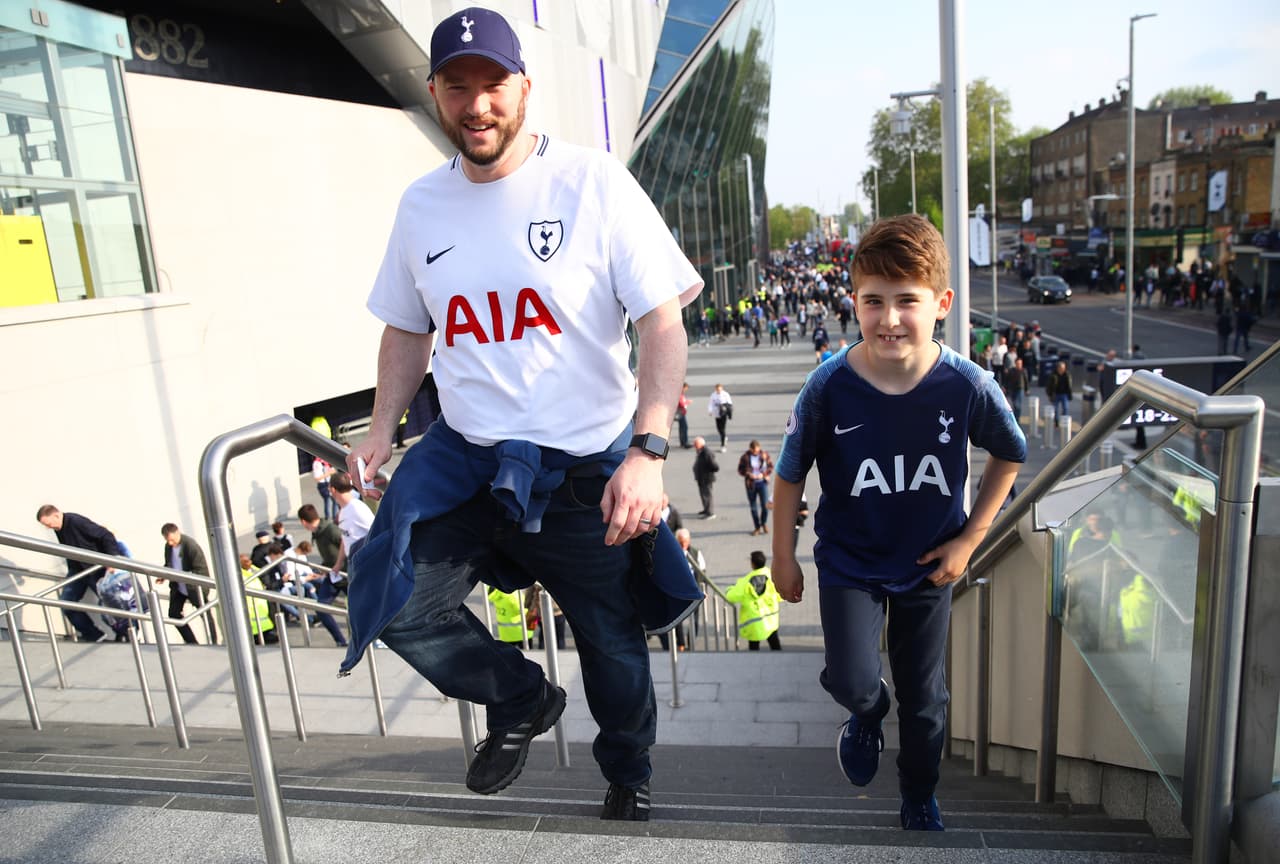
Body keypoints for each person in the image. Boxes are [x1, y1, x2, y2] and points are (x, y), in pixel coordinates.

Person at [342, 6, 702, 823]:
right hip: (468, 462)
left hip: (582, 472)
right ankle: (518, 700)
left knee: (610, 643)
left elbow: (663, 322)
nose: (477, 105)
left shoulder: (592, 181)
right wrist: (378, 428)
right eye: (457, 87)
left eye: (492, 85)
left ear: (523, 90)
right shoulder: (420, 206)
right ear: (434, 92)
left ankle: (629, 769)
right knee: (394, 601)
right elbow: (406, 328)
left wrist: (648, 450)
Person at [769, 215, 1025, 832]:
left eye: (906, 301)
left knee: (928, 700)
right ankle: (866, 711)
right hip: (850, 563)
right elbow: (789, 475)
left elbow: (1009, 454)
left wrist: (969, 538)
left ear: (940, 303)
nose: (888, 319)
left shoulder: (967, 385)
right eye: (872, 301)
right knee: (857, 681)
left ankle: (918, 794)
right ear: (852, 301)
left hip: (928, 565)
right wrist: (783, 555)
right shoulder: (827, 387)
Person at [35, 505, 120, 643]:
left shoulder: (76, 522)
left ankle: (125, 634)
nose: (49, 528)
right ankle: (94, 635)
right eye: (46, 526)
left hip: (94, 568)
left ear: (56, 515)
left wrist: (112, 559)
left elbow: (105, 535)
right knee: (67, 603)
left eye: (49, 524)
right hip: (78, 570)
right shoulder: (59, 528)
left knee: (109, 602)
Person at [158, 523, 218, 645]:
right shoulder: (168, 547)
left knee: (205, 613)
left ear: (177, 533)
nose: (170, 543)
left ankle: (213, 641)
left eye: (172, 540)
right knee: (174, 614)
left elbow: (200, 568)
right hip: (179, 586)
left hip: (194, 586)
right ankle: (191, 641)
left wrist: (190, 579)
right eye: (167, 540)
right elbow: (170, 563)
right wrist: (163, 575)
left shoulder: (191, 546)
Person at [726, 550, 782, 650]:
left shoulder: (746, 582)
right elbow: (781, 595)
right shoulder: (773, 576)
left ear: (752, 564)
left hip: (754, 624)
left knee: (754, 649)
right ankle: (782, 663)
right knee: (775, 645)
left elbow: (731, 596)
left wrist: (729, 589)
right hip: (771, 620)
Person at [737, 440, 774, 536]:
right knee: (753, 507)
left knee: (765, 506)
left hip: (762, 483)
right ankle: (757, 527)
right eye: (754, 452)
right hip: (751, 484)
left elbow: (770, 466)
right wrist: (748, 474)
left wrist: (763, 475)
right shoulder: (745, 457)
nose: (756, 453)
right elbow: (740, 470)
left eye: (758, 451)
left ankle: (763, 522)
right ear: (750, 449)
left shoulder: (764, 455)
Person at [692, 437, 719, 519]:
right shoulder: (700, 451)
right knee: (703, 494)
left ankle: (710, 513)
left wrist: (707, 471)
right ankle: (706, 509)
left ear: (700, 444)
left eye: (695, 444)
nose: (694, 446)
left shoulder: (707, 453)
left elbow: (715, 466)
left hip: (706, 478)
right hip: (701, 478)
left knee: (707, 494)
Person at [1045, 360, 1072, 424]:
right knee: (1055, 409)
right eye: (1061, 368)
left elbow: (1069, 385)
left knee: (1066, 408)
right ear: (1058, 368)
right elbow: (1049, 385)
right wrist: (1049, 394)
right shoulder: (1053, 375)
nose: (1062, 369)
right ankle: (1056, 421)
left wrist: (1070, 394)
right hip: (1056, 394)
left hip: (1064, 394)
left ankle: (1064, 421)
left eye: (1063, 368)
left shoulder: (1067, 375)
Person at [707, 383, 733, 452]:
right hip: (717, 413)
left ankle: (723, 445)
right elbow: (711, 403)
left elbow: (730, 403)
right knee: (718, 428)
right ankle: (724, 437)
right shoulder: (713, 395)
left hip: (723, 413)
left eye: (719, 389)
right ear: (715, 389)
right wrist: (710, 411)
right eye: (717, 389)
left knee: (723, 429)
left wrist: (726, 408)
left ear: (722, 389)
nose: (718, 391)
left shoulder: (725, 394)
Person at [675, 383, 691, 449]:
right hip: (681, 413)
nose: (686, 390)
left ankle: (682, 442)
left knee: (682, 428)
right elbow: (681, 404)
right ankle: (685, 443)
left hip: (681, 413)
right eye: (686, 388)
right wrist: (687, 402)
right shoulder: (680, 394)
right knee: (684, 428)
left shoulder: (679, 393)